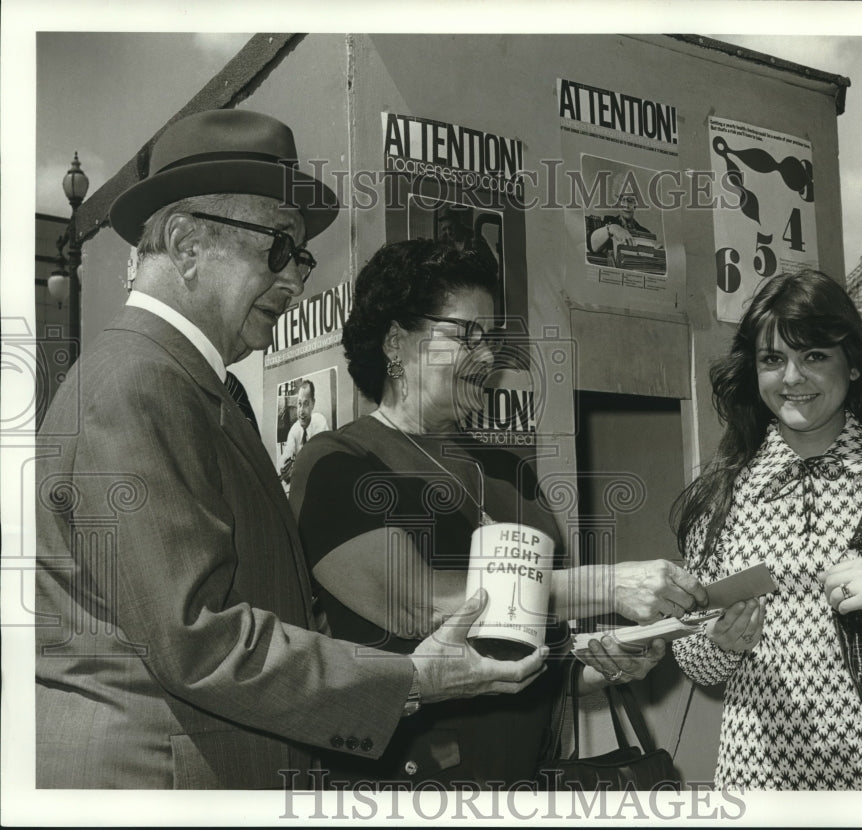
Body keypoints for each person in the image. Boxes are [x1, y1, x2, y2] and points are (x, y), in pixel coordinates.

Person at [34, 109, 550, 790]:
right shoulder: (138, 382)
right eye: (279, 247)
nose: (296, 280)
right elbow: (198, 642)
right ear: (187, 244)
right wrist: (415, 677)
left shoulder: (186, 383)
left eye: (301, 257)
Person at [291, 238, 709, 785]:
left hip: (518, 781)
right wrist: (609, 586)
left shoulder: (510, 471)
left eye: (491, 339)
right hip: (401, 786)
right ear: (397, 342)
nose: (487, 358)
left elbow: (522, 647)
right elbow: (420, 605)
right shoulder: (340, 462)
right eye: (466, 335)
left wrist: (592, 667)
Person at [670, 270, 862, 790]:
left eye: (814, 356)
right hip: (758, 783)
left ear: (852, 365)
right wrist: (721, 644)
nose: (792, 378)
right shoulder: (722, 492)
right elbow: (696, 663)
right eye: (772, 359)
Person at [279, 379, 330, 484]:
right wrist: (284, 468)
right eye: (299, 404)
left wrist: (296, 467)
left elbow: (315, 457)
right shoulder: (294, 430)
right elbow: (286, 456)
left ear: (313, 404)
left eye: (306, 404)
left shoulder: (320, 421)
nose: (301, 411)